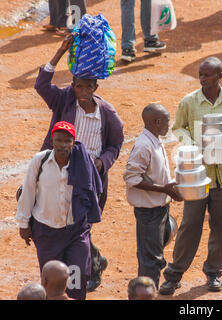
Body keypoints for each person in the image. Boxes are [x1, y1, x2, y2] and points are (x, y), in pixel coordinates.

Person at [159, 57, 222, 294]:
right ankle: (174, 275)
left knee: (221, 227)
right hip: (196, 176)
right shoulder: (189, 102)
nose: (203, 79)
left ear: (220, 76)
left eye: (208, 75)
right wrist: (192, 146)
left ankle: (213, 273)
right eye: (201, 75)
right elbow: (178, 128)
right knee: (189, 226)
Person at [34, 34, 124, 293]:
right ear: (72, 85)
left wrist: (100, 163)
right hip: (56, 173)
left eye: (88, 88)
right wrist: (60, 52)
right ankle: (92, 261)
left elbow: (115, 145)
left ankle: (88, 266)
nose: (83, 93)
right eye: (79, 87)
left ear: (96, 88)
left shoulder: (106, 114)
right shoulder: (63, 100)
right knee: (65, 223)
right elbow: (41, 85)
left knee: (81, 226)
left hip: (89, 178)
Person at [16, 121, 103, 300]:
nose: (63, 145)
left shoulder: (82, 164)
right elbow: (28, 192)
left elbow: (92, 192)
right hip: (46, 231)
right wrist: (24, 224)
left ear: (73, 142)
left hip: (75, 231)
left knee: (77, 277)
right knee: (52, 280)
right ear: (52, 140)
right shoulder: (39, 161)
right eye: (59, 140)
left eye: (67, 141)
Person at [123, 104, 183, 289]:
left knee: (159, 244)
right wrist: (165, 190)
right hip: (149, 211)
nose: (169, 125)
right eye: (166, 121)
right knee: (151, 258)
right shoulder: (143, 146)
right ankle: (148, 291)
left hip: (159, 207)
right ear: (157, 122)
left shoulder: (155, 139)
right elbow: (132, 178)